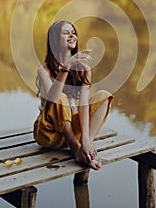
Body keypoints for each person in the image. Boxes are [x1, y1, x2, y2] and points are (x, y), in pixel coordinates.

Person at [33, 20, 113, 170]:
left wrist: (86, 140)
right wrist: (66, 67)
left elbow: (82, 105)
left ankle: (85, 147)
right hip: (48, 134)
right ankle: (77, 149)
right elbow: (54, 97)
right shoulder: (44, 70)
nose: (72, 35)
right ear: (55, 40)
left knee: (104, 96)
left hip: (73, 131)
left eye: (73, 32)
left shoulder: (84, 69)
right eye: (66, 33)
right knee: (61, 97)